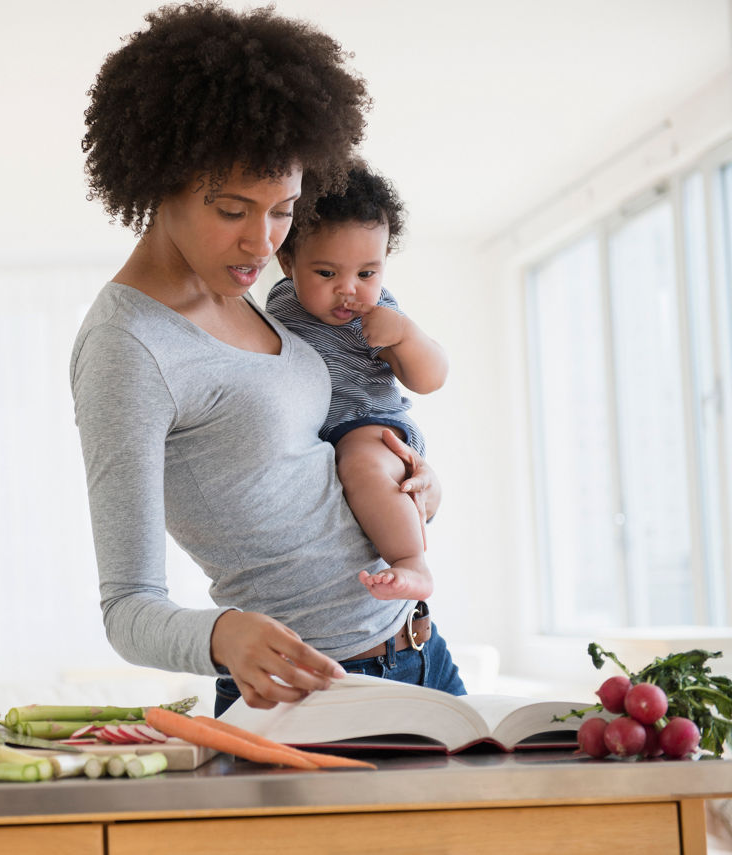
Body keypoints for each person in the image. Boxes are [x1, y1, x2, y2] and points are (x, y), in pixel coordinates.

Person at [70, 1, 466, 719]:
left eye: (283, 209)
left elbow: (301, 460)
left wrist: (414, 479)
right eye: (231, 209)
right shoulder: (127, 347)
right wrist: (223, 635)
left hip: (417, 647)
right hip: (310, 691)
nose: (262, 242)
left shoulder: (257, 297)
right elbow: (127, 607)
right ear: (160, 179)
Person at [266, 166, 446, 603]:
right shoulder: (277, 306)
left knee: (363, 465)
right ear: (288, 262)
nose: (348, 289)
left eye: (367, 273)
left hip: (369, 422)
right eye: (327, 274)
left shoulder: (379, 313)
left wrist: (404, 335)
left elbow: (430, 378)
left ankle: (411, 563)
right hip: (319, 436)